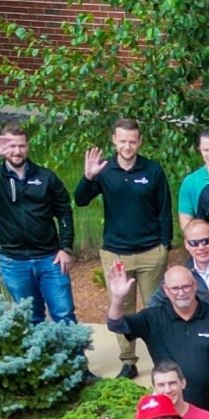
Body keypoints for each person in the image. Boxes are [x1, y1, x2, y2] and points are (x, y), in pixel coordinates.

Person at [77, 123, 174, 366]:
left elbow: (164, 210)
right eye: (122, 141)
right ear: (114, 141)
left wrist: (165, 246)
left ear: (139, 141)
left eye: (132, 141)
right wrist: (89, 177)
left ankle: (161, 360)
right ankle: (128, 361)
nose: (127, 146)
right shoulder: (104, 169)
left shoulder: (152, 170)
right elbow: (80, 200)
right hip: (116, 252)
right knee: (123, 306)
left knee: (156, 308)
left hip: (151, 251)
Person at [0, 125, 76, 322]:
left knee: (64, 313)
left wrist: (66, 247)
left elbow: (64, 212)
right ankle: (40, 353)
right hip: (13, 261)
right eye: (11, 146)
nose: (17, 151)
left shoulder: (46, 177)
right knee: (30, 317)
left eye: (21, 146)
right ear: (3, 148)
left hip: (50, 259)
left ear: (27, 147)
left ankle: (74, 354)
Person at [108, 262, 209, 419]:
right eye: (175, 289)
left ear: (195, 286)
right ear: (165, 291)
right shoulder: (152, 319)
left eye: (185, 287)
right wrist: (118, 297)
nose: (181, 293)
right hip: (172, 415)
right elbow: (115, 324)